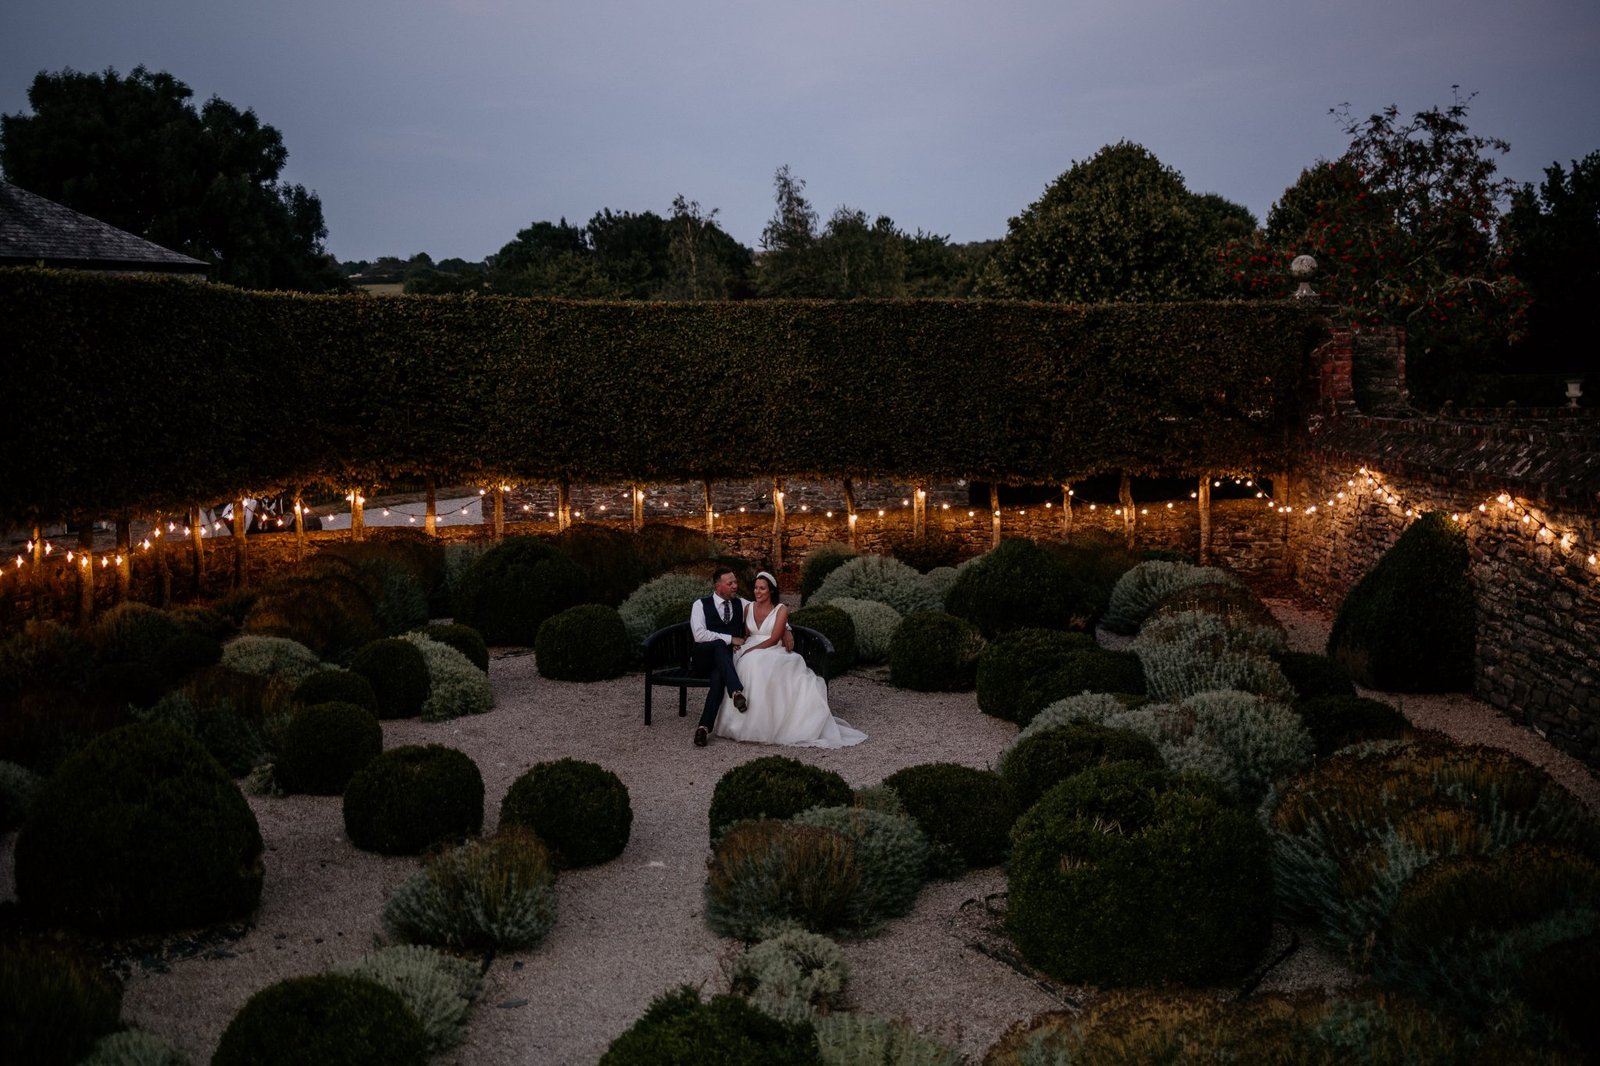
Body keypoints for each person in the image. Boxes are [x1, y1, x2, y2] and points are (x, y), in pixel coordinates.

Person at [714, 571, 866, 749]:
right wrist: (742, 646)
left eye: (762, 588)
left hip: (772, 648)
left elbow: (773, 638)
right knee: (740, 662)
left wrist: (755, 649)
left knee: (754, 663)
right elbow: (747, 634)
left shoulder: (781, 609)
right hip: (752, 645)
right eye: (755, 588)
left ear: (771, 591)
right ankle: (741, 720)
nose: (757, 592)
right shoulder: (748, 607)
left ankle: (767, 724)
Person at [688, 565, 750, 747]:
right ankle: (736, 690)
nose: (735, 586)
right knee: (718, 644)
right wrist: (731, 639)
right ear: (718, 587)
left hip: (722, 666)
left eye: (736, 582)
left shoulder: (742, 604)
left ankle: (703, 728)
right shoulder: (700, 605)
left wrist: (786, 628)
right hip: (702, 660)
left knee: (718, 676)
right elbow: (699, 635)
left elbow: (765, 611)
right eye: (730, 583)